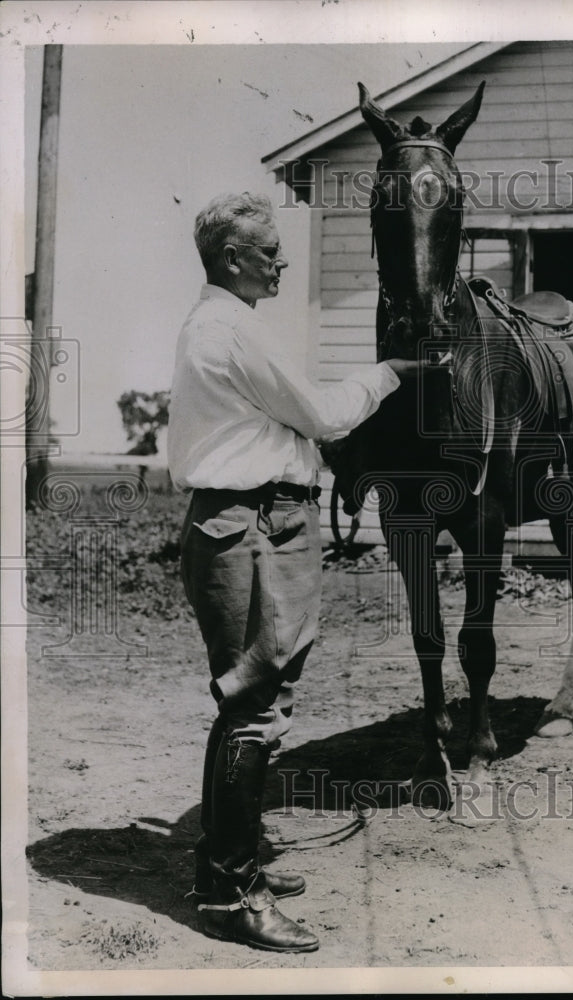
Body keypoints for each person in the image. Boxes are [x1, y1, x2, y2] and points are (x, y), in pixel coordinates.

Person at [167, 192, 423, 953]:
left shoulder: (225, 324)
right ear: (233, 259)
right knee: (253, 706)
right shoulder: (227, 328)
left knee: (254, 699)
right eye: (270, 250)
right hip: (250, 525)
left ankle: (226, 863)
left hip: (262, 520)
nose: (281, 260)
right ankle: (231, 894)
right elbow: (321, 413)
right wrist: (388, 375)